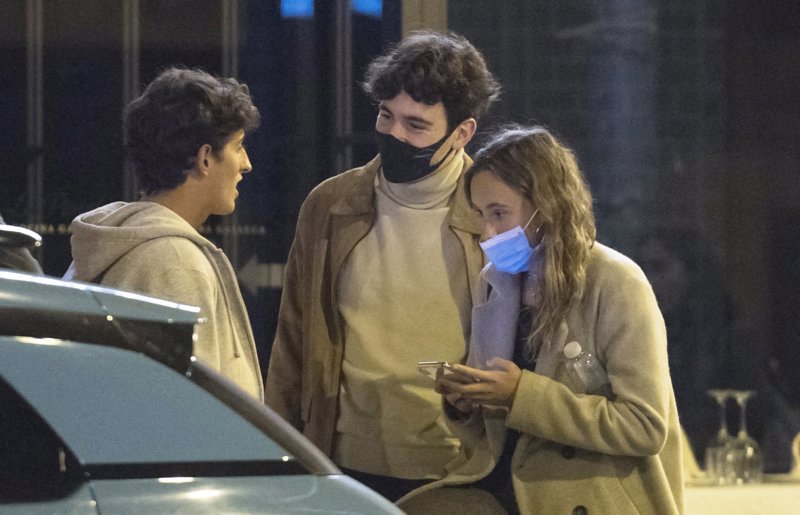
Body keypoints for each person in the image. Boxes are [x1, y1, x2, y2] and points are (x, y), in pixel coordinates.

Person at [265, 31, 500, 501]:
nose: (395, 134)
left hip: (454, 467)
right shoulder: (331, 204)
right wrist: (276, 459)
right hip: (340, 461)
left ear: (462, 133)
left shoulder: (492, 214)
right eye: (386, 115)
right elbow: (292, 341)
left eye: (416, 125)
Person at [399, 125, 684, 514]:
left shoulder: (616, 281)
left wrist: (521, 394)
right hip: (503, 490)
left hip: (590, 499)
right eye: (481, 215)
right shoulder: (496, 283)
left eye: (499, 213)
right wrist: (467, 405)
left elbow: (644, 427)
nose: (486, 232)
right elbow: (497, 439)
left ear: (546, 206)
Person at [64, 67, 264, 399]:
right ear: (204, 158)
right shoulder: (173, 262)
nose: (246, 163)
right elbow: (185, 407)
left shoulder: (124, 241)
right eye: (238, 146)